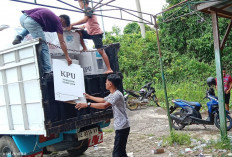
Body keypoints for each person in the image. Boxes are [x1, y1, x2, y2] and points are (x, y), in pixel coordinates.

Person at [75, 74, 130, 157]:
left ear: (110, 84)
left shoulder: (116, 95)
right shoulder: (113, 94)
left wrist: (87, 104)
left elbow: (104, 105)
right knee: (121, 151)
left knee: (117, 153)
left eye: (106, 82)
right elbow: (103, 100)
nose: (105, 83)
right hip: (122, 125)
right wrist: (89, 97)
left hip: (122, 126)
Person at [12, 8, 72, 78]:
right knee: (43, 46)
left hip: (23, 18)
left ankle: (19, 36)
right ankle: (47, 72)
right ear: (63, 20)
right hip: (31, 21)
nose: (62, 27)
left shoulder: (51, 18)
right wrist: (67, 57)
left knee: (32, 26)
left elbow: (31, 20)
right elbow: (62, 41)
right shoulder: (58, 22)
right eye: (63, 25)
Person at [68, 0, 113, 74]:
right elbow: (85, 24)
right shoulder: (86, 11)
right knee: (79, 32)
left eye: (80, 2)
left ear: (84, 2)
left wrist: (72, 24)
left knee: (100, 51)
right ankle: (84, 48)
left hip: (96, 33)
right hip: (90, 33)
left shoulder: (88, 9)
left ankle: (109, 68)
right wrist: (75, 27)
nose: (79, 4)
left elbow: (84, 20)